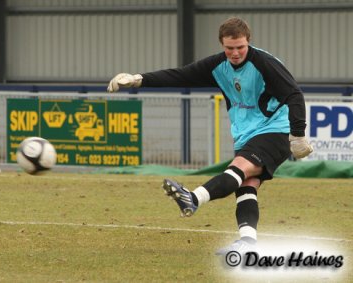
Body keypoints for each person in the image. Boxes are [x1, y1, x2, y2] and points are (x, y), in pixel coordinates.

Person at [107, 17, 313, 254]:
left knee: (237, 170)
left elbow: (294, 94)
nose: (235, 53)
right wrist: (139, 79)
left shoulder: (265, 63)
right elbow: (180, 75)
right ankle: (248, 243)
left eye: (240, 47)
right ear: (222, 45)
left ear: (248, 42)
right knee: (246, 186)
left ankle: (193, 198)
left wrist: (297, 135)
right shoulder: (218, 65)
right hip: (246, 134)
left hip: (274, 129)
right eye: (229, 48)